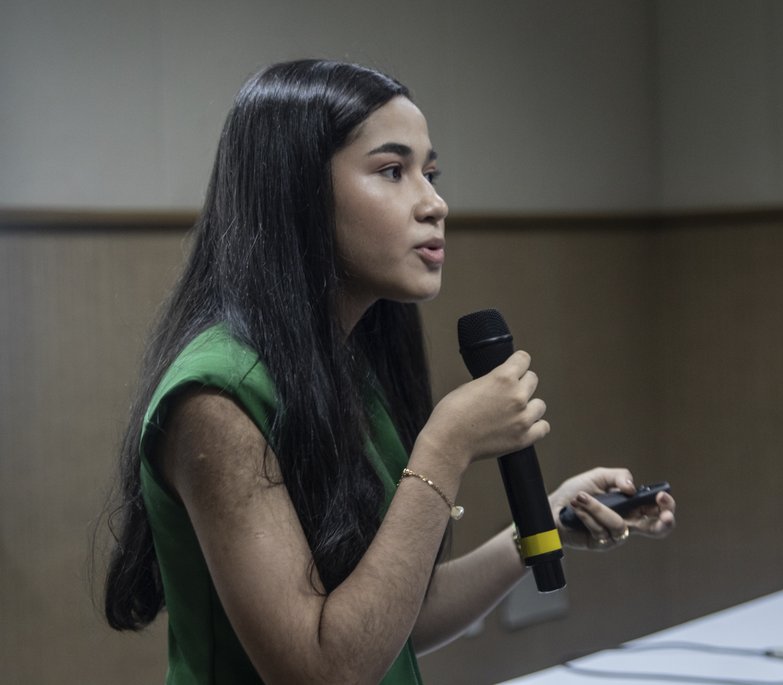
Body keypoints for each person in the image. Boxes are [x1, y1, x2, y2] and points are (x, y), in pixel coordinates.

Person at [101, 59, 676, 684]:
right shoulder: (216, 399)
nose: (435, 204)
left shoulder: (341, 368)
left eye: (430, 174)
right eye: (393, 171)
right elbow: (322, 670)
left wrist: (543, 525)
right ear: (296, 192)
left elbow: (392, 622)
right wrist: (446, 445)